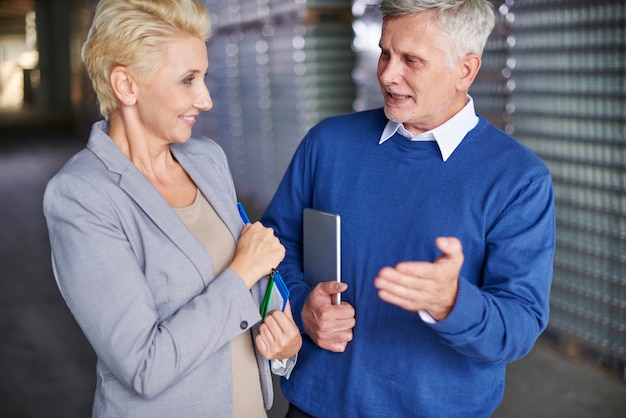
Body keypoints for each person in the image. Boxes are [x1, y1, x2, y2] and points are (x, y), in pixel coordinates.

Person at [261, 0, 555, 416]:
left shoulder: (517, 179)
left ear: (465, 71)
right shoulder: (328, 143)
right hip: (316, 405)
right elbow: (272, 247)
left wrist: (451, 303)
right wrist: (301, 304)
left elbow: (520, 325)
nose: (386, 74)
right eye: (385, 52)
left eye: (410, 60)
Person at [43, 0, 301, 416]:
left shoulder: (206, 159)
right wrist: (245, 269)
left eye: (205, 77)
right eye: (188, 80)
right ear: (126, 85)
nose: (206, 99)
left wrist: (283, 344)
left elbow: (253, 293)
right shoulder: (81, 197)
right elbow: (145, 365)